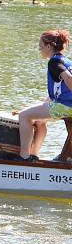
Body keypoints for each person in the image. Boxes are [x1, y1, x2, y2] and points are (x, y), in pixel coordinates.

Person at [17, 30, 72, 161]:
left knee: (24, 116)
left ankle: (24, 157)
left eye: (40, 45)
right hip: (65, 104)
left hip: (66, 106)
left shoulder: (54, 62)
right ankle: (34, 155)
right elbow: (57, 93)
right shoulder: (65, 60)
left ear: (49, 46)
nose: (39, 48)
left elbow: (69, 79)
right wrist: (36, 109)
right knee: (40, 121)